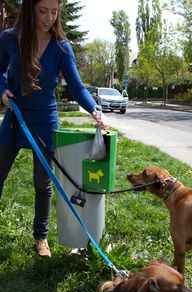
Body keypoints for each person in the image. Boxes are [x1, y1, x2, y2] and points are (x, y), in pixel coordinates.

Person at [0, 0, 108, 257]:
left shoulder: (62, 48)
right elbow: (0, 69)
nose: (49, 17)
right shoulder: (9, 39)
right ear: (30, 10)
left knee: (42, 183)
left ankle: (41, 238)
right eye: (42, 11)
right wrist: (2, 89)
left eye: (54, 11)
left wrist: (95, 110)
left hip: (45, 121)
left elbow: (78, 87)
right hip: (15, 117)